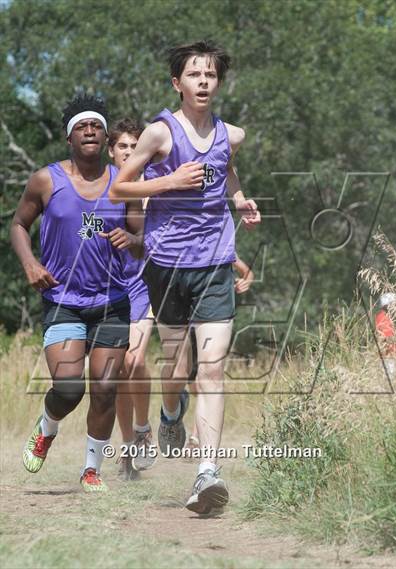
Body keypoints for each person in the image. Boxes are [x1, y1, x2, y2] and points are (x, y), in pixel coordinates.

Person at [109, 40, 261, 513]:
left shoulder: (230, 134)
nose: (202, 81)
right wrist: (169, 182)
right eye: (194, 74)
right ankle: (170, 413)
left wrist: (239, 199)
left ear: (218, 83)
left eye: (210, 75)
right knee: (176, 367)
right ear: (178, 83)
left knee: (211, 369)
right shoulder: (159, 134)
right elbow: (120, 186)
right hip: (167, 265)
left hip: (216, 261)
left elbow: (227, 171)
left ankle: (207, 472)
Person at [10, 94, 142, 492]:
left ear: (105, 138)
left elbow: (142, 239)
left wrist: (130, 238)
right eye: (81, 126)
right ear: (69, 138)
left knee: (104, 390)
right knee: (69, 388)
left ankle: (90, 470)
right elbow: (18, 225)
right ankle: (47, 427)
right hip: (63, 302)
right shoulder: (46, 179)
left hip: (111, 303)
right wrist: (30, 264)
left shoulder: (125, 183)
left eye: (96, 126)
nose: (89, 130)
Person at [106, 118, 156, 480]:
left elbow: (162, 238)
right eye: (122, 146)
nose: (127, 151)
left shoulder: (154, 188)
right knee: (119, 369)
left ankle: (143, 427)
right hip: (106, 290)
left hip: (143, 287)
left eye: (133, 146)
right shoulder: (99, 188)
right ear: (112, 151)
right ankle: (126, 452)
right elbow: (84, 227)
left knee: (135, 362)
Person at [185, 257, 255, 451]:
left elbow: (247, 272)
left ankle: (195, 438)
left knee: (204, 378)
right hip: (184, 323)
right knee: (188, 380)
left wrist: (245, 281)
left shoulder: (220, 244)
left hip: (212, 321)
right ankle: (180, 411)